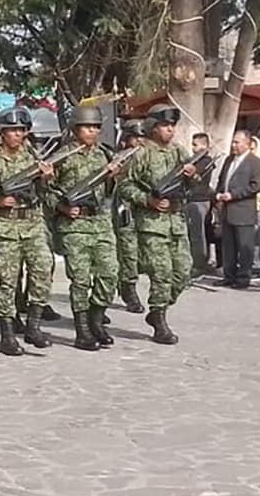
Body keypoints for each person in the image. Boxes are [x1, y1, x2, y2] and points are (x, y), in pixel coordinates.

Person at [119, 104, 199, 344]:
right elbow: (125, 186)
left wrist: (192, 175)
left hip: (176, 221)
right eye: (165, 125)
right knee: (161, 274)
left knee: (183, 272)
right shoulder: (141, 154)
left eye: (172, 125)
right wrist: (148, 200)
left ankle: (156, 311)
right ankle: (160, 321)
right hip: (152, 224)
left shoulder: (179, 152)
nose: (170, 130)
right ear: (152, 127)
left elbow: (194, 184)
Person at [0, 108, 56, 355]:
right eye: (13, 130)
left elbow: (46, 194)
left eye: (22, 130)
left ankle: (33, 325)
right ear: (2, 133)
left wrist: (47, 178)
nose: (18, 135)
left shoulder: (32, 156)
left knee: (43, 269)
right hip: (6, 225)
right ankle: (7, 334)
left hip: (33, 222)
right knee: (8, 280)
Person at [50, 105, 126, 350]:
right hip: (74, 225)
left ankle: (96, 318)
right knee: (81, 279)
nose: (92, 131)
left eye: (95, 127)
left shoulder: (104, 154)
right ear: (75, 129)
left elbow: (110, 193)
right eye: (87, 127)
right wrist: (62, 208)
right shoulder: (62, 156)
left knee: (109, 274)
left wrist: (114, 178)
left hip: (100, 222)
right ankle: (82, 330)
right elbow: (46, 192)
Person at [214, 130, 260, 289]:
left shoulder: (256, 162)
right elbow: (222, 180)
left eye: (237, 142)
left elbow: (255, 186)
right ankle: (229, 275)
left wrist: (234, 195)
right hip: (227, 210)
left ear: (248, 144)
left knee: (244, 247)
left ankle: (243, 278)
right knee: (228, 246)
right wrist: (218, 194)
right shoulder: (229, 160)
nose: (234, 145)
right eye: (233, 142)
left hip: (243, 210)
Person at [114, 120, 147, 313]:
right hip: (122, 211)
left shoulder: (148, 157)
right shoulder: (120, 158)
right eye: (136, 138)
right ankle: (128, 289)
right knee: (127, 252)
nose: (140, 142)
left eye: (142, 137)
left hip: (143, 210)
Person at [185, 132, 216, 279]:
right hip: (191, 199)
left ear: (204, 145)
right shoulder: (193, 159)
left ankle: (199, 264)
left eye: (196, 144)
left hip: (199, 200)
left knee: (198, 234)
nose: (193, 148)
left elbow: (199, 179)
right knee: (193, 233)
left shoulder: (206, 161)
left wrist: (192, 174)